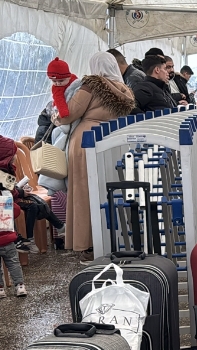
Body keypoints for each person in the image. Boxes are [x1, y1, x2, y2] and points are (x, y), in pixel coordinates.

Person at [52, 52, 135, 264]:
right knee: (107, 192)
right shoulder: (123, 88)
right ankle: (111, 240)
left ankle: (87, 246)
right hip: (112, 141)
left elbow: (69, 114)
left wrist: (56, 114)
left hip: (85, 143)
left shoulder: (91, 86)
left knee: (83, 194)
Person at [0, 136, 28, 297]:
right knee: (12, 260)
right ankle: (20, 286)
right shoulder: (4, 177)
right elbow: (15, 210)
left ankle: (1, 290)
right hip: (8, 237)